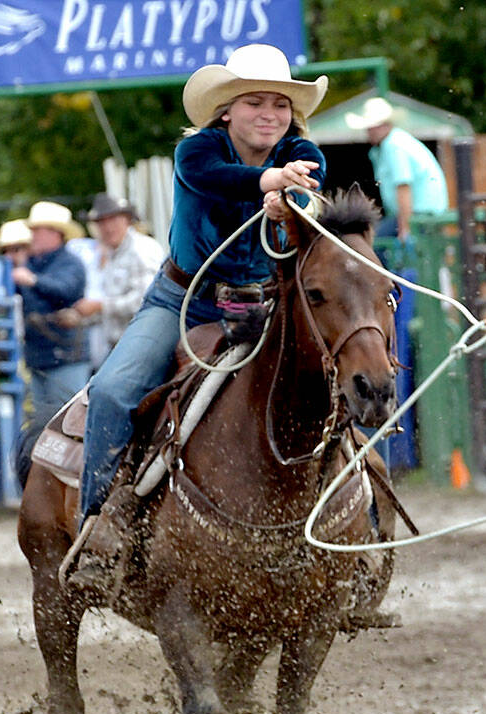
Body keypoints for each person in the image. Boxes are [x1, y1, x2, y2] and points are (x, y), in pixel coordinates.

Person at [69, 43, 327, 592]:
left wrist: (290, 202)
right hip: (183, 300)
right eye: (255, 101)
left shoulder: (305, 154)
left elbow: (307, 202)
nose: (270, 114)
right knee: (114, 391)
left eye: (280, 105)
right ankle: (99, 528)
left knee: (337, 390)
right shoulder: (198, 153)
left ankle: (358, 540)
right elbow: (218, 178)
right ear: (226, 110)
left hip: (269, 303)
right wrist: (271, 184)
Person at [13, 201, 89, 465]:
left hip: (66, 358)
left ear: (55, 234)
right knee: (45, 429)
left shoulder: (70, 264)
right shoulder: (33, 263)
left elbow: (66, 291)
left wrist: (31, 280)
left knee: (71, 425)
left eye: (38, 230)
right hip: (43, 357)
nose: (32, 236)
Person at [344, 97, 449, 244]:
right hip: (422, 216)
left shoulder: (393, 146)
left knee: (376, 246)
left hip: (419, 217)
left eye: (373, 126)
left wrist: (405, 229)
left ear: (386, 125)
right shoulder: (393, 143)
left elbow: (403, 186)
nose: (369, 131)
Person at [79, 193, 165, 371]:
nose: (107, 227)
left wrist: (99, 306)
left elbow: (147, 300)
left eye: (113, 220)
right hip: (122, 348)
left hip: (143, 348)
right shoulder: (112, 254)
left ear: (127, 220)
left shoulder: (142, 250)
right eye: (101, 222)